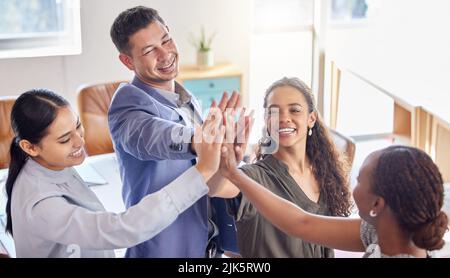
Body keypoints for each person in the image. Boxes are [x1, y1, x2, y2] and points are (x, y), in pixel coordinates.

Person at [4, 89, 225, 258]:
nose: (80, 141)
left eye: (78, 126)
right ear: (29, 147)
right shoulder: (41, 204)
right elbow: (120, 229)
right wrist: (202, 171)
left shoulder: (46, 164)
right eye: (64, 139)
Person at [108, 6, 246, 257]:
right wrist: (199, 139)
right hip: (164, 248)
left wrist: (229, 159)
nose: (165, 54)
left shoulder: (184, 97)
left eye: (166, 40)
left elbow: (205, 177)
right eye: (149, 50)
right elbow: (154, 136)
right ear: (128, 61)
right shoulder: (127, 106)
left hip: (204, 244)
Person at [220, 142, 449, 258]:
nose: (352, 186)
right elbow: (301, 223)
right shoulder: (384, 231)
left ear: (377, 205)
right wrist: (235, 175)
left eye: (358, 181)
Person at [210, 77, 352, 258]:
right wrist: (223, 167)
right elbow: (216, 187)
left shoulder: (325, 173)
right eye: (274, 112)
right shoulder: (254, 177)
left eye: (294, 110)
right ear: (267, 121)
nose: (284, 118)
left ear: (311, 118)